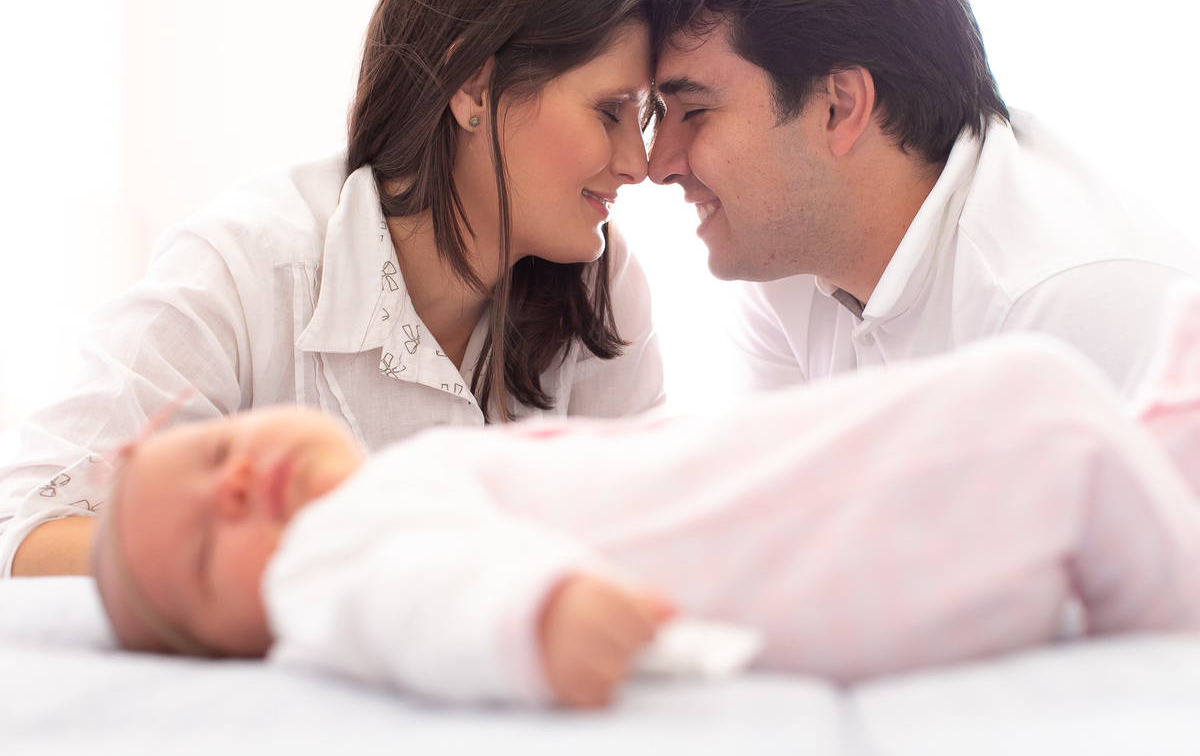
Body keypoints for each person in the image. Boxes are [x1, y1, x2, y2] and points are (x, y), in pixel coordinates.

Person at [93, 334, 1200, 709]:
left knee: (1061, 425)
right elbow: (416, 595)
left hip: (767, 499)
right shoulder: (324, 565)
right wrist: (533, 613)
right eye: (202, 542)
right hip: (779, 544)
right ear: (227, 639)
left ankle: (1160, 444)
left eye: (217, 450)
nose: (235, 484)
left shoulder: (397, 479)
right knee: (1037, 403)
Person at [0, 0, 666, 578]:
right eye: (609, 112)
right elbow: (23, 530)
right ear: (475, 88)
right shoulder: (247, 270)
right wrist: (292, 563)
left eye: (645, 119)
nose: (639, 163)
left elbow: (648, 535)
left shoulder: (600, 289)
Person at [647, 0, 1200, 397]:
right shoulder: (788, 267)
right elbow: (773, 524)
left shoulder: (1081, 311)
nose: (656, 164)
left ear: (840, 107)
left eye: (694, 113)